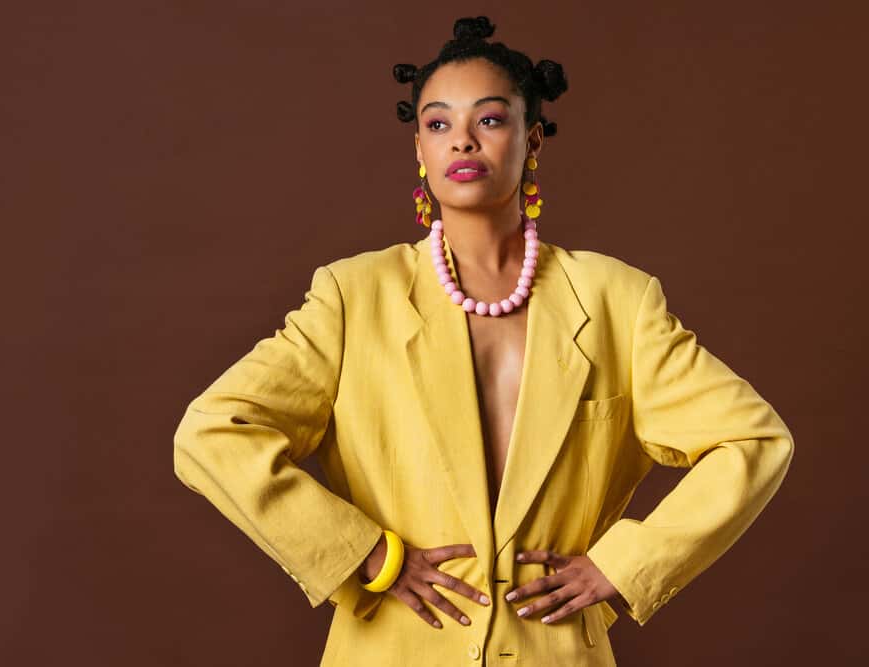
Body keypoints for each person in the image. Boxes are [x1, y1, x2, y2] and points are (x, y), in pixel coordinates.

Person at [172, 16, 794, 666]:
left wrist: (627, 563)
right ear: (419, 149)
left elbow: (754, 440)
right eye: (438, 124)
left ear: (534, 141)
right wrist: (363, 550)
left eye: (490, 120)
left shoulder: (618, 301)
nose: (462, 140)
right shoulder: (353, 297)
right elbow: (213, 430)